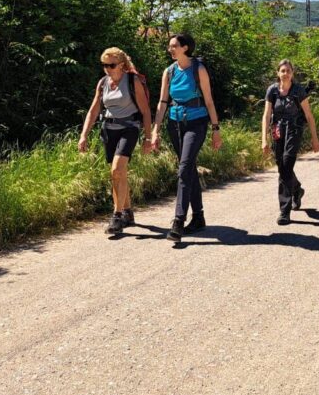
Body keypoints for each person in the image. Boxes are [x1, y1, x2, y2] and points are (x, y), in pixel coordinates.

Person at [150, 33, 223, 241]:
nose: (170, 49)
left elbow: (209, 101)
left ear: (185, 48)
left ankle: (178, 221)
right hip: (174, 123)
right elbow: (163, 102)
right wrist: (156, 130)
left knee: (184, 168)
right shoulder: (169, 72)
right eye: (169, 46)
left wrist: (215, 129)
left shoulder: (198, 69)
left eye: (174, 46)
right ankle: (198, 217)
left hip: (197, 122)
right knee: (188, 168)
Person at [78, 47, 153, 235]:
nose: (107, 69)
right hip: (109, 130)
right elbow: (94, 110)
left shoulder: (132, 81)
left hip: (129, 128)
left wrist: (148, 137)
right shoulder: (103, 83)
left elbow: (145, 111)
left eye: (111, 65)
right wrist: (84, 135)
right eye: (104, 65)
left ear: (121, 65)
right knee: (118, 174)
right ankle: (127, 211)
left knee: (117, 170)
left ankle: (117, 216)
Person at [262, 59, 319, 225]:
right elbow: (266, 115)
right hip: (277, 131)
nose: (285, 74)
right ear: (278, 73)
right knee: (282, 166)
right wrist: (263, 139)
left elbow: (309, 116)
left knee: (286, 165)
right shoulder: (272, 91)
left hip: (294, 130)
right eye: (282, 71)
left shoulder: (298, 91)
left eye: (288, 71)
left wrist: (315, 139)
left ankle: (284, 210)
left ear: (292, 73)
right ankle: (297, 189)